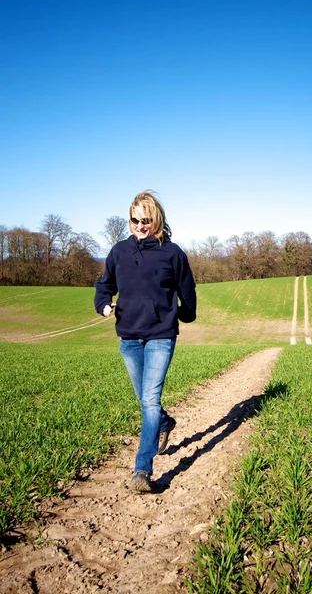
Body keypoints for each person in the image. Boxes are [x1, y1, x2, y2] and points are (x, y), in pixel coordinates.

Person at [94, 190, 196, 493]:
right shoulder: (119, 252)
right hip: (129, 336)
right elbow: (105, 285)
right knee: (145, 400)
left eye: (146, 220)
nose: (140, 225)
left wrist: (177, 315)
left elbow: (187, 294)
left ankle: (142, 469)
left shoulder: (173, 253)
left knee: (149, 400)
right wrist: (103, 304)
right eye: (135, 220)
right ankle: (164, 423)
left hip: (161, 337)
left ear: (157, 219)